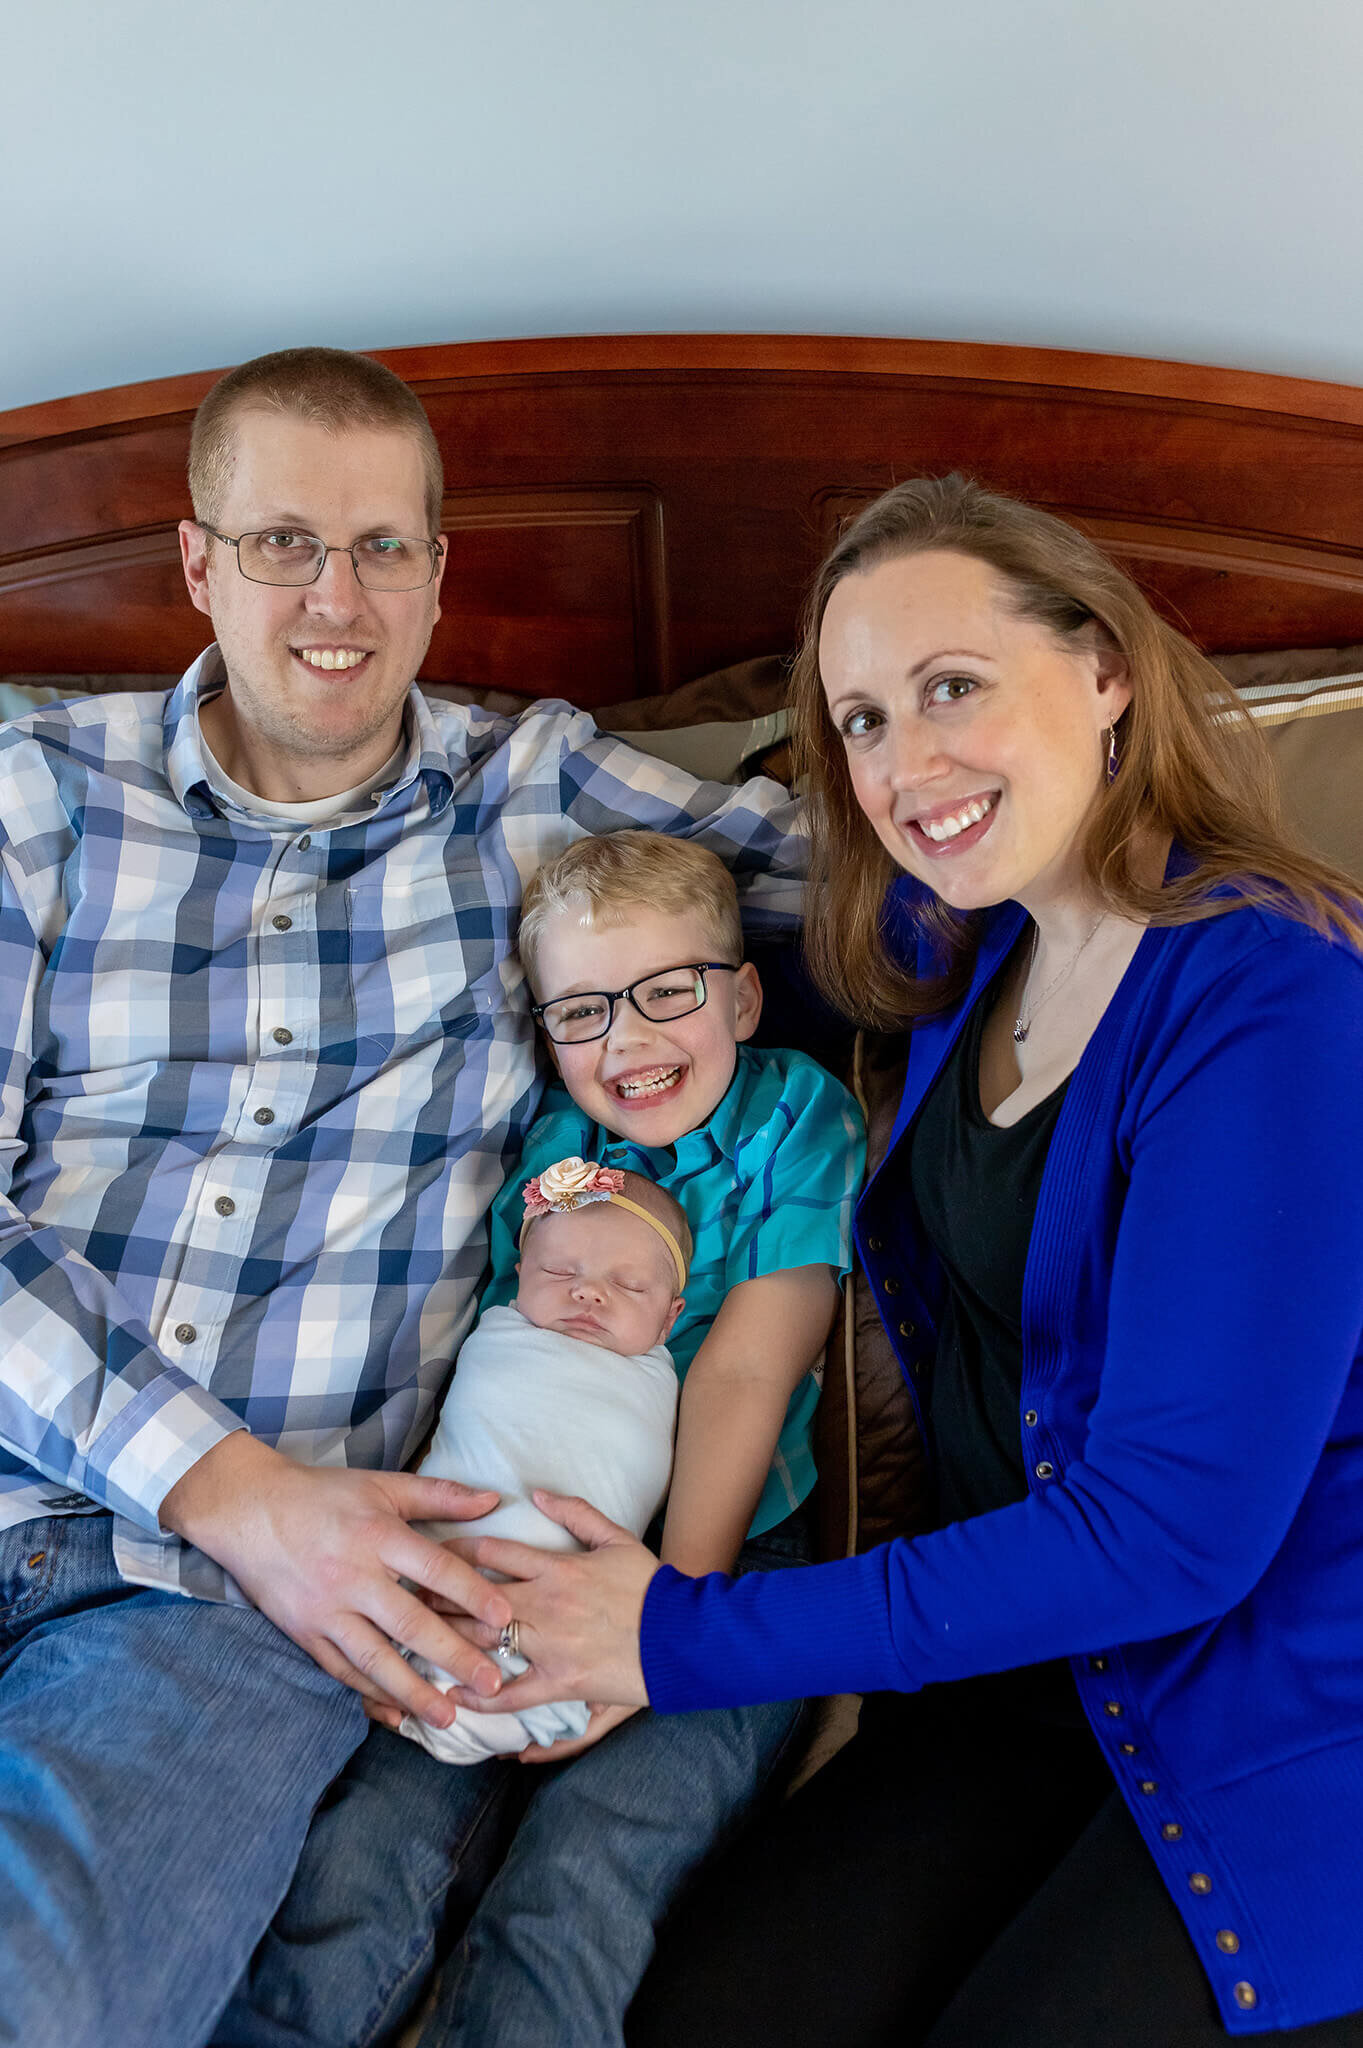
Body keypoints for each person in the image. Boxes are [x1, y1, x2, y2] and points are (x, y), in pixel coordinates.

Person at [445, 478, 1363, 2044]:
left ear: (1104, 673)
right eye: (860, 721)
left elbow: (1174, 1535)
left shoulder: (1275, 1005)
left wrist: (672, 1634)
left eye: (953, 689)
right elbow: (665, 968)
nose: (904, 765)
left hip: (1279, 1687)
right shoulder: (967, 948)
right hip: (1033, 1661)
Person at [0, 345, 809, 2048]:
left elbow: (902, 864)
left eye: (384, 547)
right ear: (198, 562)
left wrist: (1188, 897)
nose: (335, 601)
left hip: (212, 1617)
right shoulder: (35, 803)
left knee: (44, 1991)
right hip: (178, 1495)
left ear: (444, 574)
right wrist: (224, 1482)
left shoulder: (533, 794)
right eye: (284, 542)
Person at [217, 829, 866, 2048]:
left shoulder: (796, 1115)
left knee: (581, 1875)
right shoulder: (562, 1155)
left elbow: (743, 1364)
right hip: (510, 1538)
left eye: (667, 991)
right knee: (363, 1856)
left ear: (743, 992)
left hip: (726, 1565)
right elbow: (512, 1352)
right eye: (581, 1013)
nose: (627, 1042)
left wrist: (672, 1613)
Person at [402, 1160, 688, 1764]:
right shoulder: (499, 1331)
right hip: (444, 1545)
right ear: (520, 1275)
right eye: (559, 1271)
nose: (588, 1292)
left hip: (575, 1592)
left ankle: (477, 1705)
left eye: (630, 1285)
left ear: (670, 1318)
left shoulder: (656, 1377)